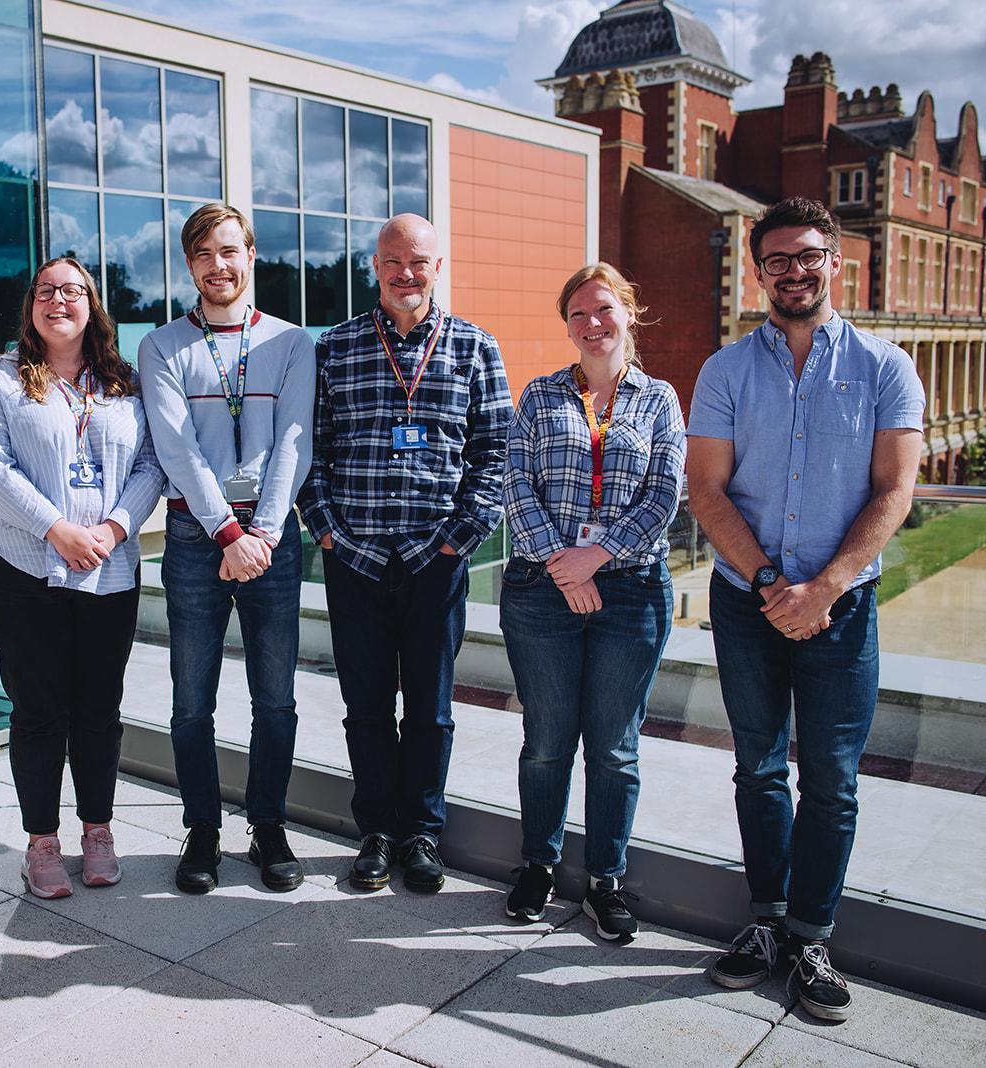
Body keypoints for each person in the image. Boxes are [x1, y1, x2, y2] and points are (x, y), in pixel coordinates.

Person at [687, 197, 923, 1019]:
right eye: (779, 259)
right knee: (758, 768)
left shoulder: (886, 366)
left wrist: (822, 588)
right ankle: (765, 924)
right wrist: (767, 586)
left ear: (834, 262)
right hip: (746, 598)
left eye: (809, 255)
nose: (795, 271)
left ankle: (812, 938)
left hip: (843, 606)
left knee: (831, 781)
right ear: (760, 271)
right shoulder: (725, 370)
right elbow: (707, 492)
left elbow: (897, 490)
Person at [298, 213, 512, 894]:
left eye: (418, 261)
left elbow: (495, 457)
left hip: (436, 563)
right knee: (364, 706)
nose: (405, 274)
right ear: (375, 267)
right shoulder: (333, 348)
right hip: (353, 560)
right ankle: (375, 833)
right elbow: (311, 455)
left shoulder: (477, 350)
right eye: (393, 261)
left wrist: (457, 540)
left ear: (437, 267)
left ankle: (421, 834)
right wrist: (328, 532)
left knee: (431, 708)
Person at [0, 258, 164, 898]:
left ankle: (97, 831)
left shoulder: (123, 382)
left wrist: (114, 528)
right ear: (31, 307)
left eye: (72, 291)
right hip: (24, 573)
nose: (59, 301)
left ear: (92, 305)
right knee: (39, 710)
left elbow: (153, 463)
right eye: (47, 291)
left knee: (99, 711)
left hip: (110, 571)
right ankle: (41, 842)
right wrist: (56, 528)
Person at [499, 264, 686, 940]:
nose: (591, 323)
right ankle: (539, 866)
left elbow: (665, 494)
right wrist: (564, 566)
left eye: (603, 309)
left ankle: (606, 880)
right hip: (542, 590)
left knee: (613, 747)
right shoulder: (541, 395)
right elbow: (516, 486)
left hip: (631, 591)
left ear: (628, 313)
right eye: (577, 313)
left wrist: (595, 560)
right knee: (547, 742)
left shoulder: (659, 399)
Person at [137, 203, 315, 894]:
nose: (219, 265)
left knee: (276, 700)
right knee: (191, 700)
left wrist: (262, 532)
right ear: (191, 264)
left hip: (270, 540)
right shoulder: (161, 347)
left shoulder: (292, 343)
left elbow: (294, 440)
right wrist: (228, 533)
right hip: (194, 539)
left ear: (251, 256)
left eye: (230, 251)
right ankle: (202, 830)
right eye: (205, 254)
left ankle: (267, 827)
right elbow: (176, 450)